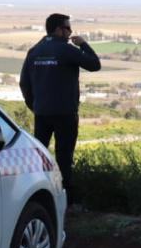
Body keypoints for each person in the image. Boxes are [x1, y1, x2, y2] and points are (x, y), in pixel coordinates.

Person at [20, 13, 101, 208]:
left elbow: (24, 83)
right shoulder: (66, 50)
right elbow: (94, 64)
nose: (70, 32)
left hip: (42, 114)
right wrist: (83, 44)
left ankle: (38, 198)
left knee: (39, 156)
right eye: (68, 28)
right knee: (64, 158)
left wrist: (35, 106)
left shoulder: (34, 51)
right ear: (58, 29)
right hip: (65, 114)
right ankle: (67, 202)